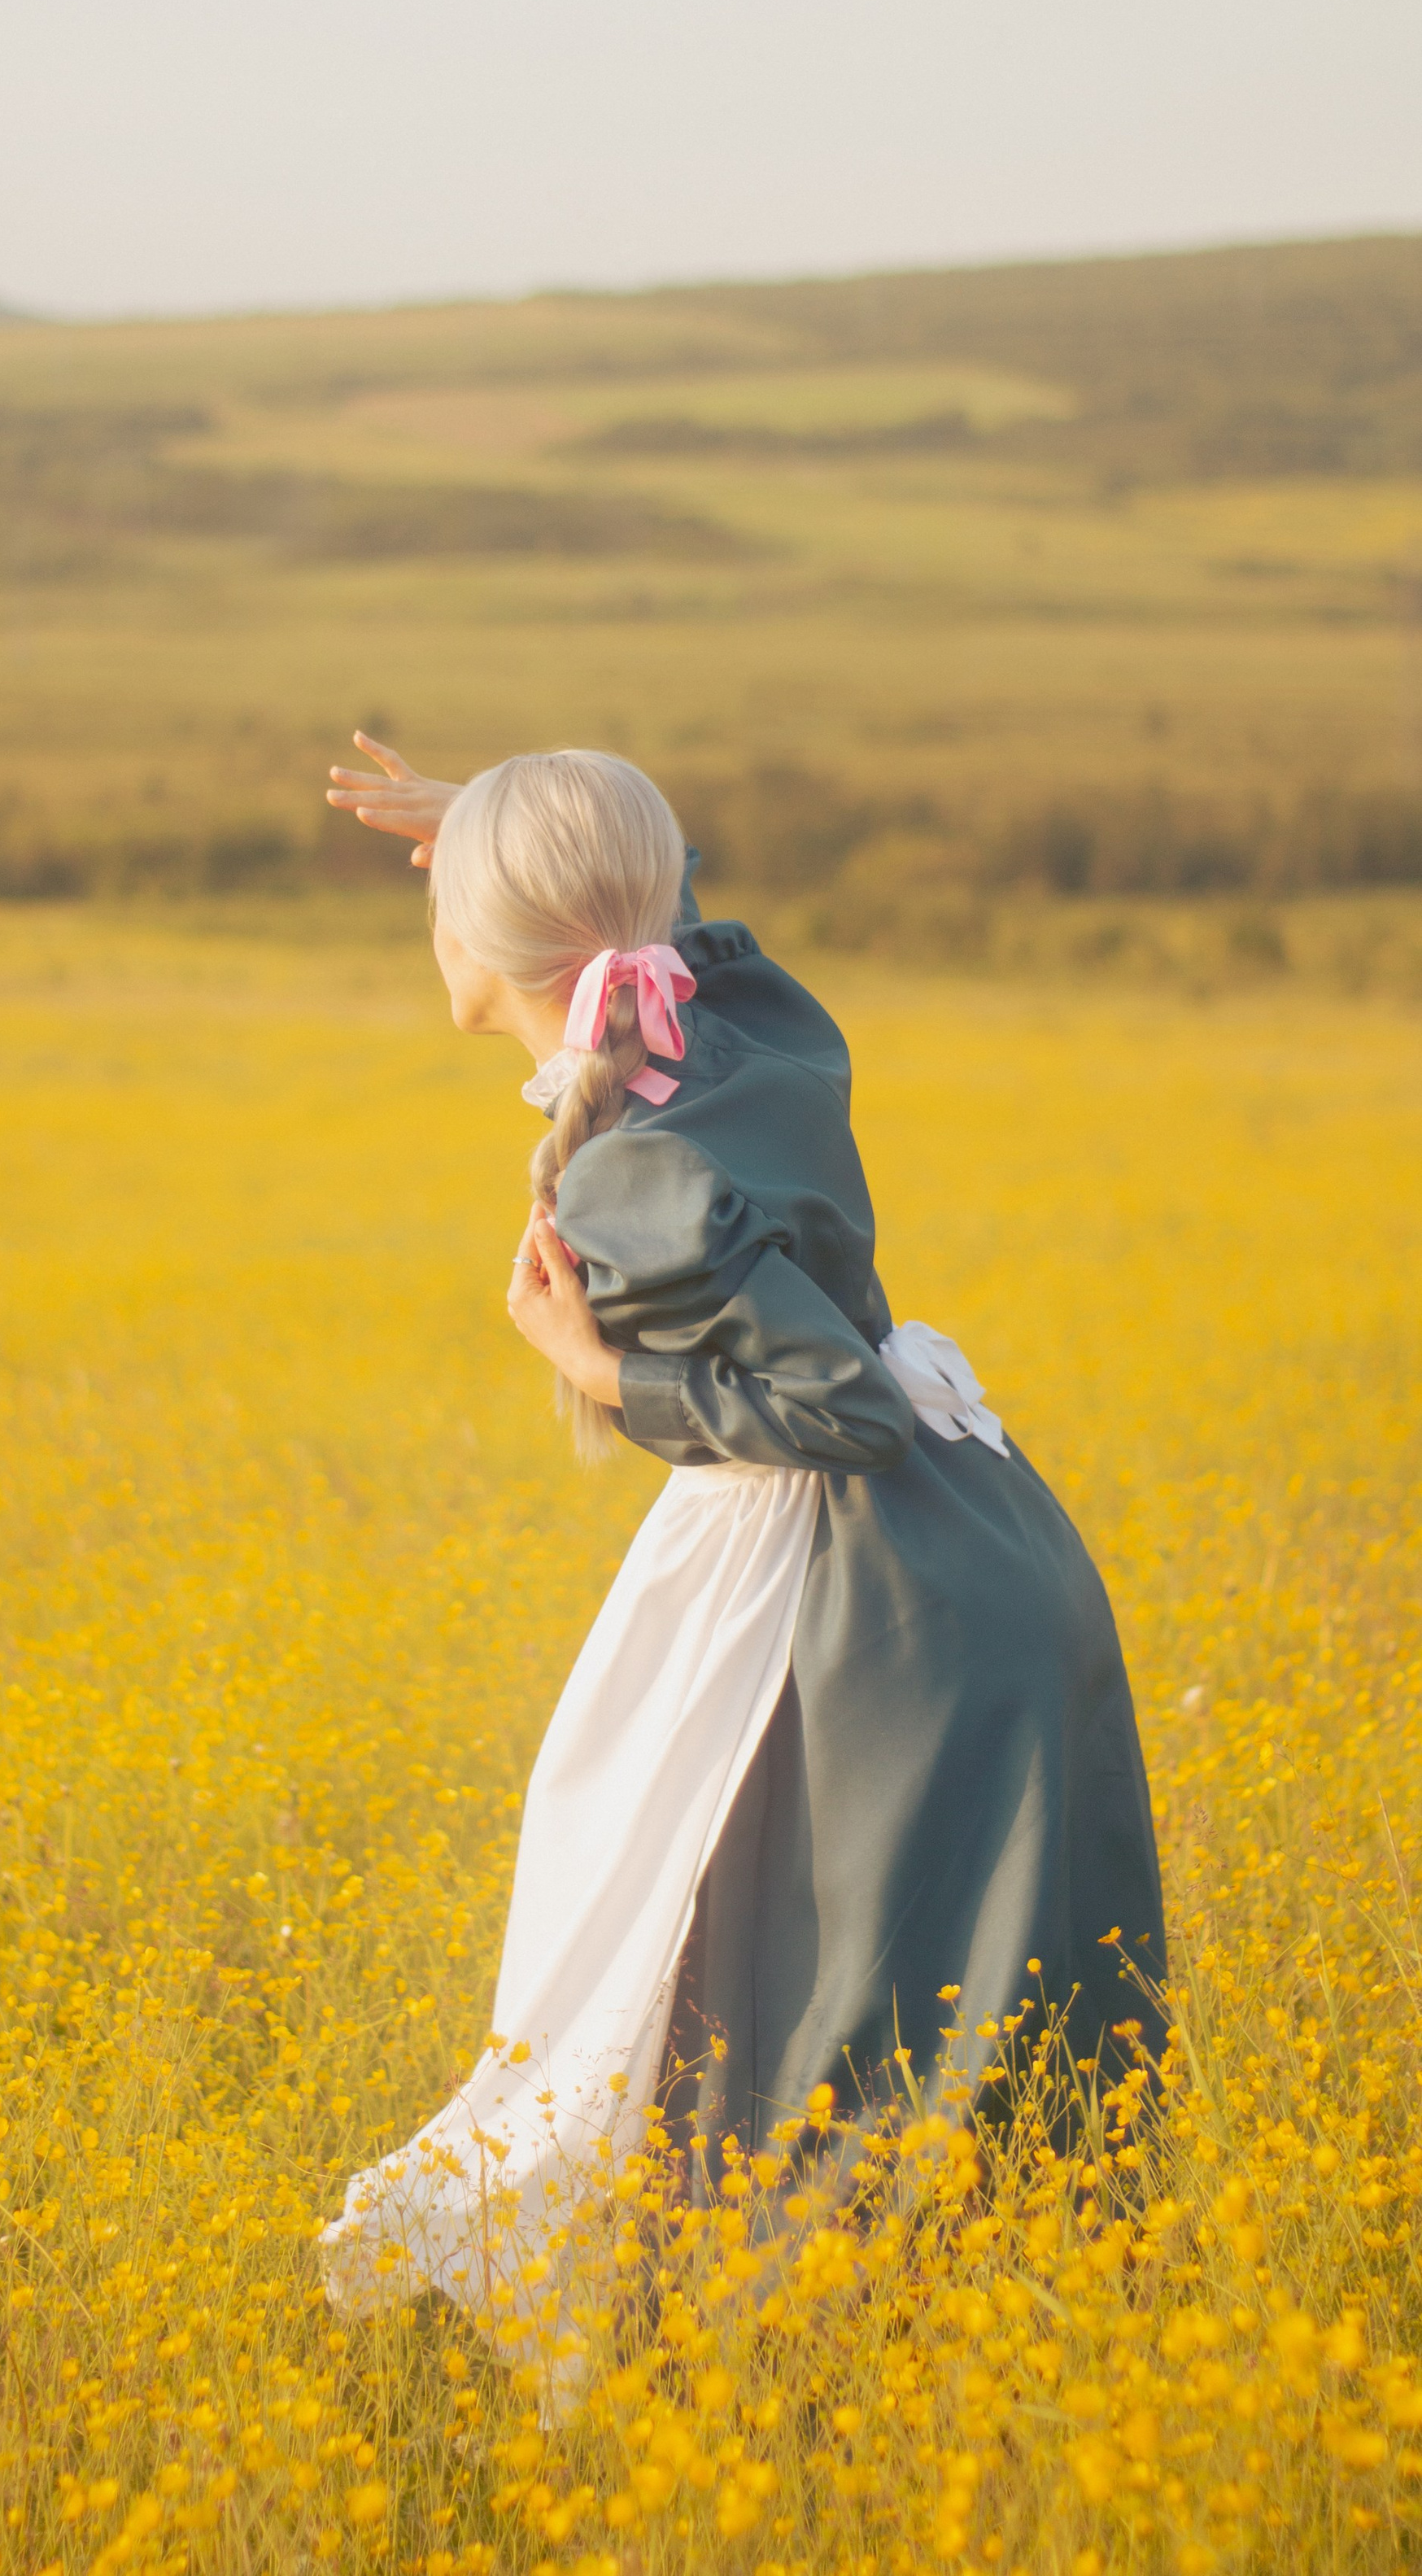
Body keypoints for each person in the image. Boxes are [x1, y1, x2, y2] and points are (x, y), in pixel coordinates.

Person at [316, 734, 1166, 2366]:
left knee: (774, 1983)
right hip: (992, 1539)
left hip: (872, 1588)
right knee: (949, 2013)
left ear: (495, 946)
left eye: (449, 909)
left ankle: (797, 2370)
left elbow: (834, 1406)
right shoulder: (730, 1019)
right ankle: (991, 2353)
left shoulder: (640, 1165)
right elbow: (664, 904)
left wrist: (599, 1371)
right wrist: (492, 828)